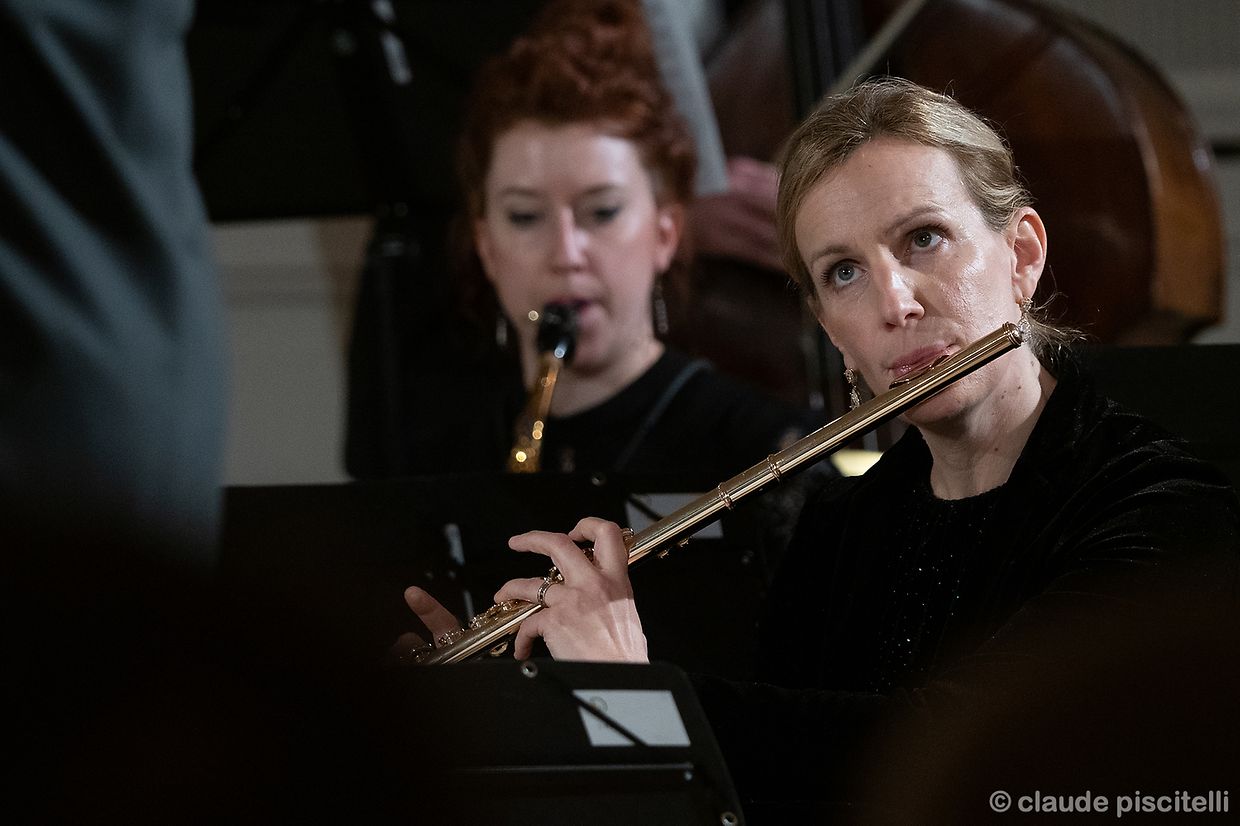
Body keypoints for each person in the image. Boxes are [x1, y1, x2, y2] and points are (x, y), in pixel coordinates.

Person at [406, 77, 1240, 818]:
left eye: (924, 239)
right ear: (828, 329)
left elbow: (975, 755)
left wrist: (645, 696)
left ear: (1021, 255)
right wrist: (505, 707)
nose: (894, 302)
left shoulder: (1164, 506)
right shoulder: (841, 525)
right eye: (843, 272)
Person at [383, 0, 813, 479]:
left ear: (665, 232)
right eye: (525, 216)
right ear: (486, 247)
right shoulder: (437, 463)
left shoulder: (775, 452)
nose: (566, 254)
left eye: (602, 212)